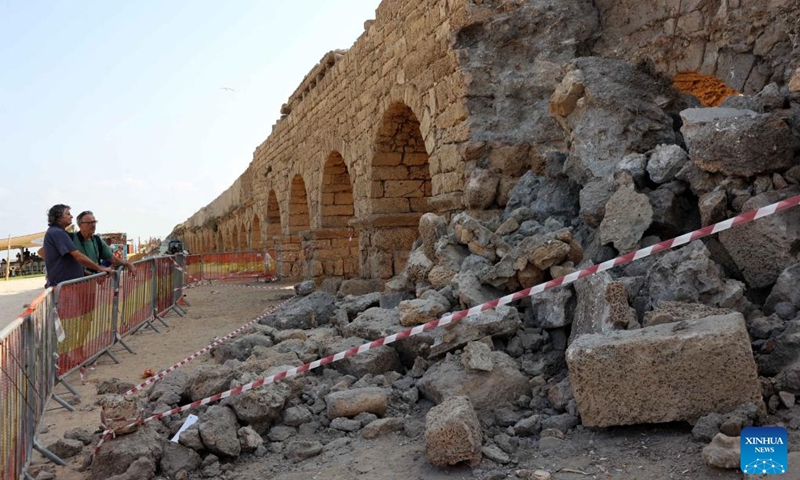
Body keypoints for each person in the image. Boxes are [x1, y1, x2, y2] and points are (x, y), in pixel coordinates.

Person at [42, 204, 113, 287]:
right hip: (65, 286)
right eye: (68, 214)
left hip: (68, 284)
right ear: (59, 218)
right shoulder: (58, 233)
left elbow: (70, 260)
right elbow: (78, 256)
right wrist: (101, 268)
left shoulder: (57, 232)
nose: (71, 216)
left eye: (94, 222)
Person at [71, 211, 136, 275]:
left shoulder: (97, 240)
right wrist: (99, 269)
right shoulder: (71, 239)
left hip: (90, 283)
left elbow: (113, 259)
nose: (93, 225)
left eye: (94, 222)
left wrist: (128, 264)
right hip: (72, 283)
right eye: (89, 223)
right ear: (79, 225)